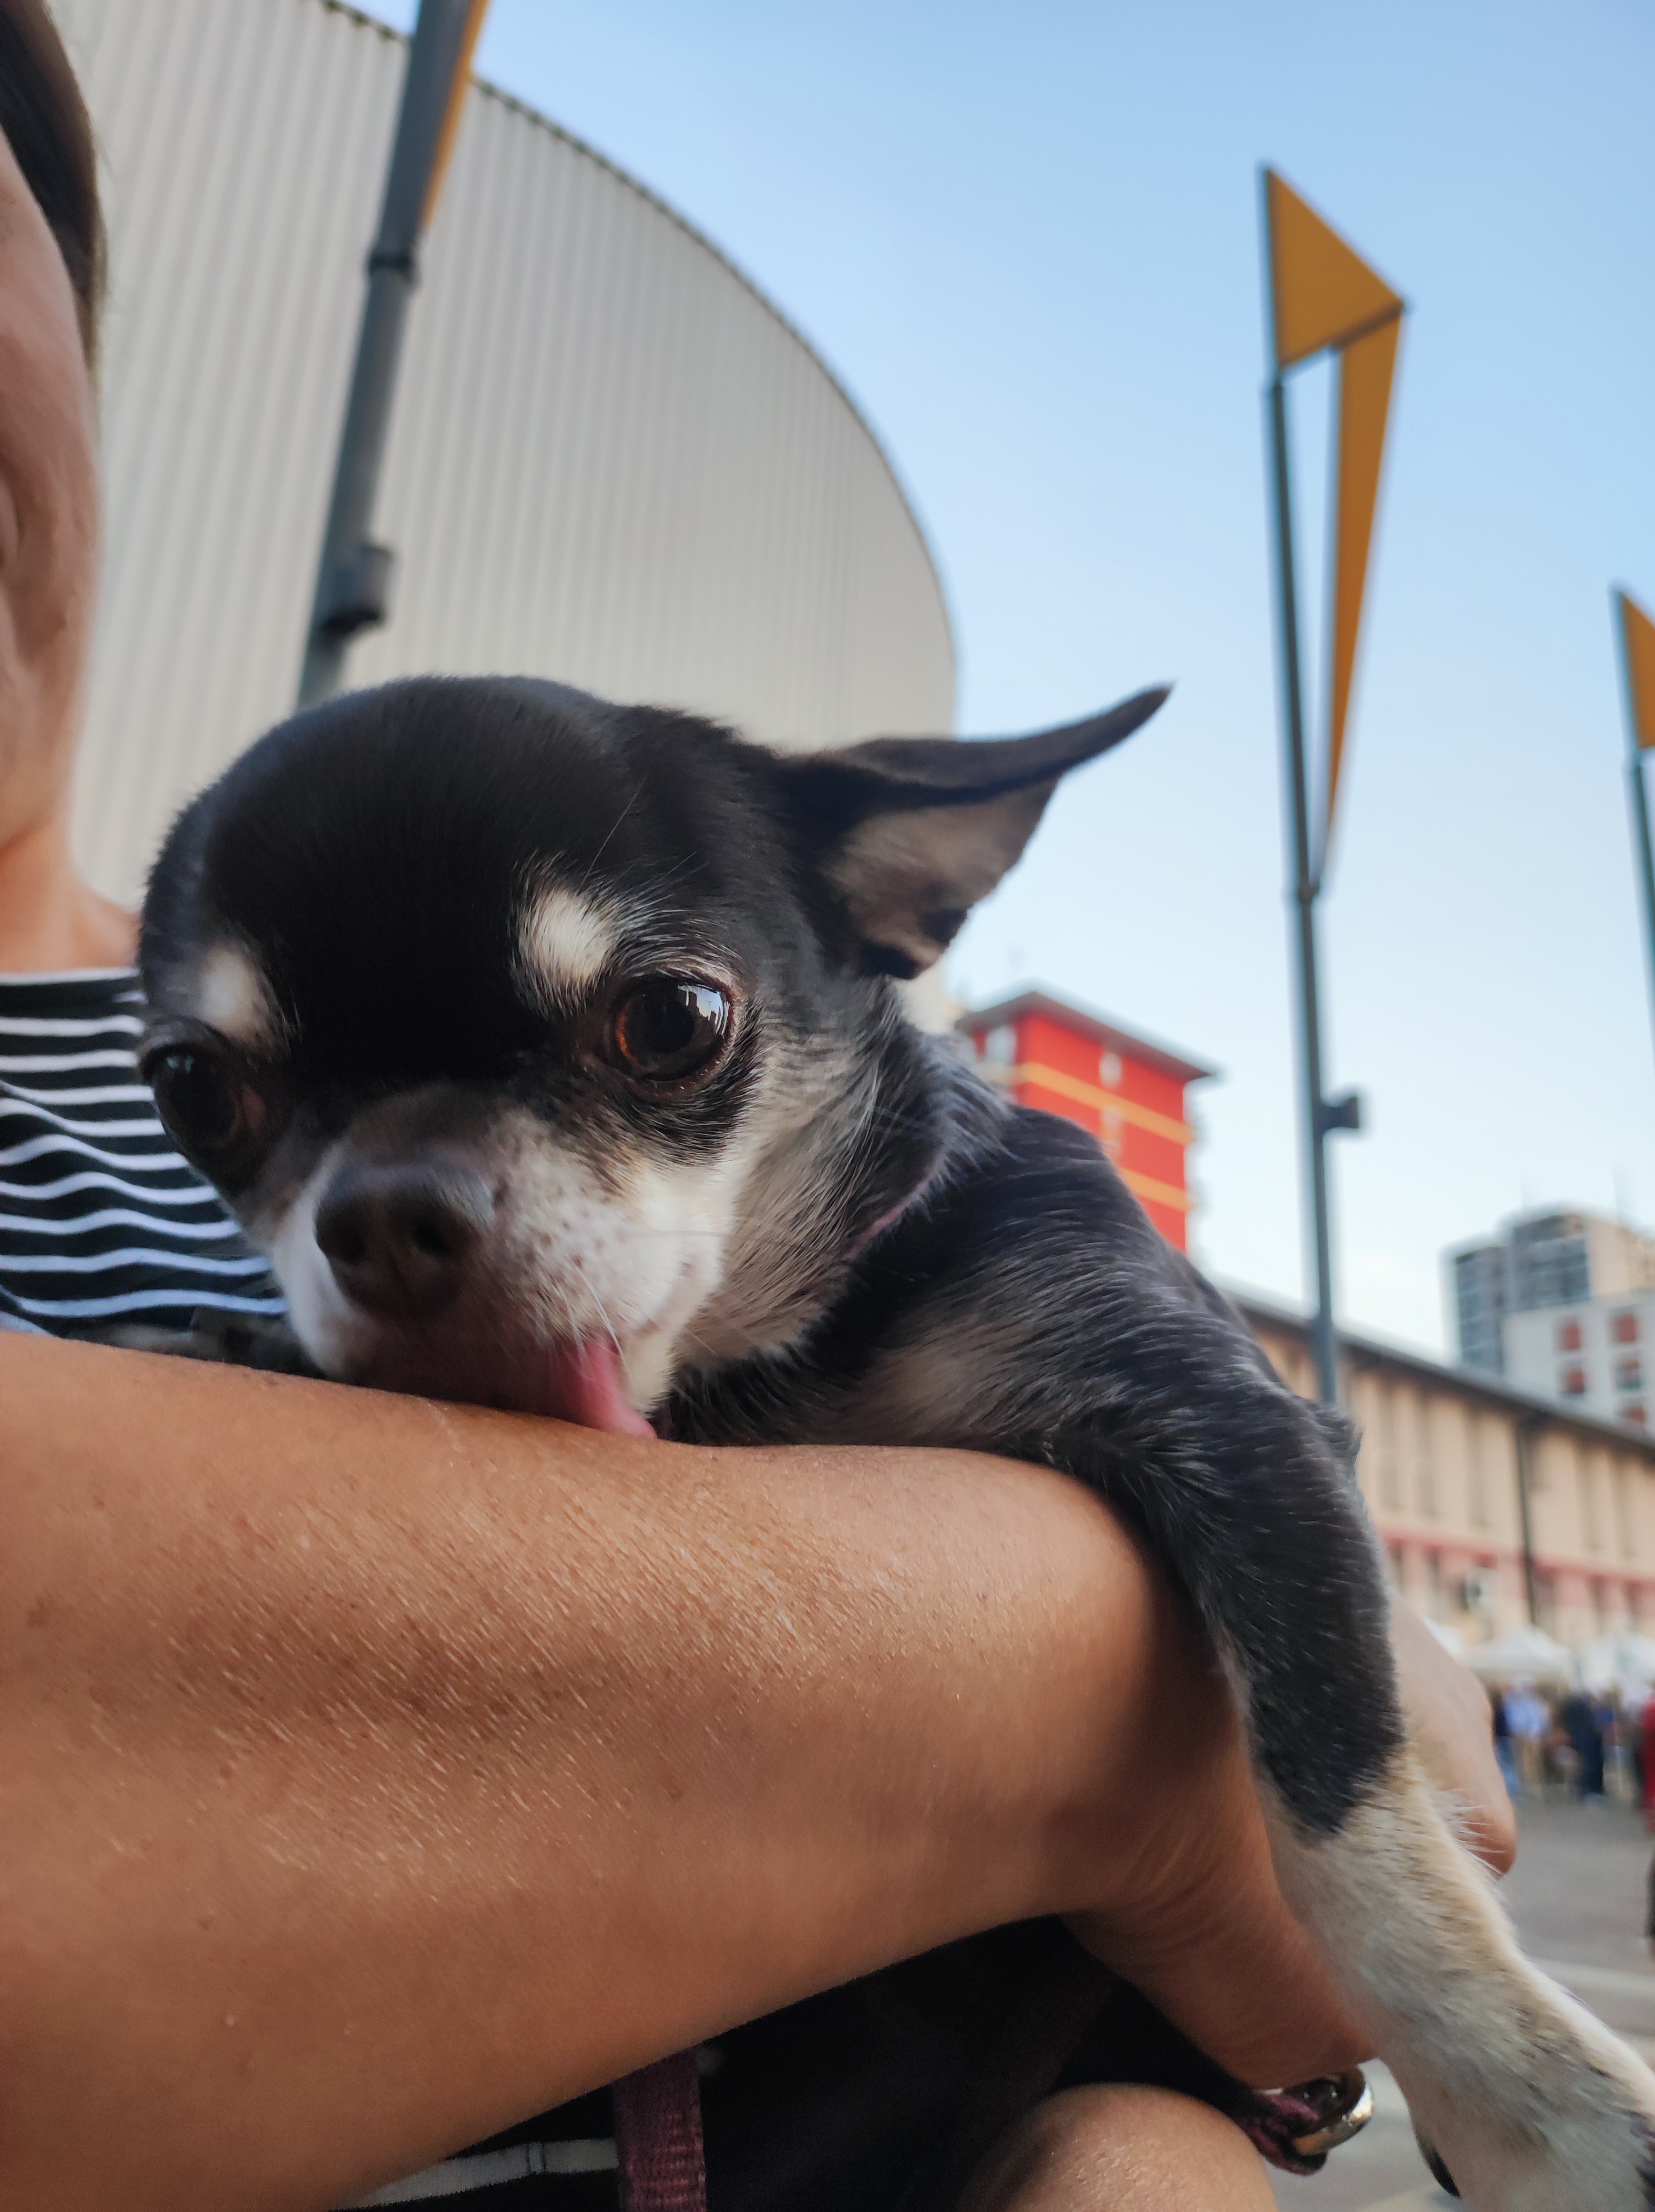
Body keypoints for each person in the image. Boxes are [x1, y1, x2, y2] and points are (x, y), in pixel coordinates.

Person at [0, 7, 1515, 2207]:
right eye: (225, 1103)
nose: (383, 1214)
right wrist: (1104, 1689)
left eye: (655, 1030)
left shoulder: (950, 1204)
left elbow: (1332, 1946)